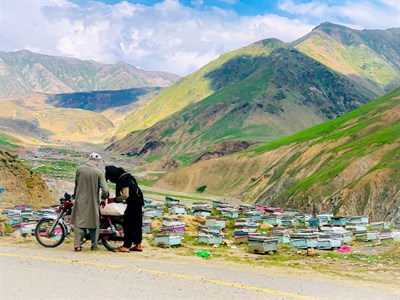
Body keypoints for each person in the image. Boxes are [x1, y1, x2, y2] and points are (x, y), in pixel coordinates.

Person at [71, 153, 109, 251]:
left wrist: (74, 196)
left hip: (80, 200)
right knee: (94, 223)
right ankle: (94, 245)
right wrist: (103, 198)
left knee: (79, 222)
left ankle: (77, 245)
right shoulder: (98, 172)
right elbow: (105, 190)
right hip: (93, 201)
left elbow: (76, 184)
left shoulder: (79, 169)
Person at [105, 165, 144, 252]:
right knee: (137, 224)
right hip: (138, 200)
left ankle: (126, 246)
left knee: (128, 223)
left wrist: (115, 199)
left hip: (133, 202)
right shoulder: (128, 176)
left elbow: (125, 195)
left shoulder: (123, 179)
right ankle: (138, 245)